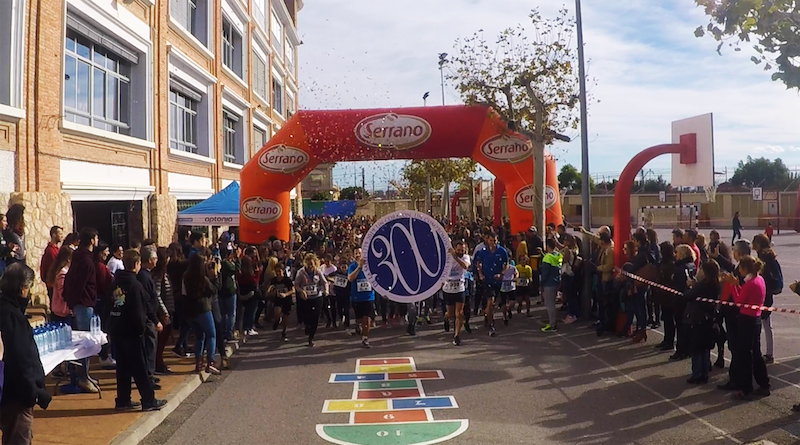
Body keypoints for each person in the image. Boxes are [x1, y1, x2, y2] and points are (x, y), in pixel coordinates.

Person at [107, 249, 167, 412]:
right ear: (136, 264)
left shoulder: (116, 283)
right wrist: (142, 329)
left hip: (117, 329)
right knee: (140, 367)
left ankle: (123, 399)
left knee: (123, 368)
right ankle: (148, 399)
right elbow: (140, 311)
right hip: (132, 332)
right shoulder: (135, 285)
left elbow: (109, 304)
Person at [0, 263, 52, 443]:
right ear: (23, 289)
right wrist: (32, 392)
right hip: (15, 396)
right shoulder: (13, 317)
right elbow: (20, 359)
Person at [724, 255, 770, 400]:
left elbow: (739, 301)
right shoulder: (759, 279)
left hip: (747, 320)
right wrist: (737, 285)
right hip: (755, 319)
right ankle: (763, 384)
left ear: (745, 269)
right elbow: (745, 297)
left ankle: (745, 387)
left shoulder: (751, 284)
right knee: (755, 353)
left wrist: (733, 285)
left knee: (745, 355)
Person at [63, 227, 99, 393]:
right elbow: (78, 284)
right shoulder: (85, 261)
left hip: (81, 303)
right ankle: (83, 377)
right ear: (92, 239)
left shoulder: (80, 258)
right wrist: (72, 301)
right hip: (83, 304)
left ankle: (85, 374)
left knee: (84, 341)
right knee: (85, 342)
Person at [183, 251, 221, 375]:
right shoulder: (203, 279)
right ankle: (210, 362)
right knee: (211, 335)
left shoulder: (185, 277)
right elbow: (214, 289)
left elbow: (184, 294)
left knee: (199, 337)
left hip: (189, 310)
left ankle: (198, 362)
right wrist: (215, 275)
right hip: (203, 309)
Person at [684, 260, 721, 384]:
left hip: (698, 319)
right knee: (705, 348)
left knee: (696, 348)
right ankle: (705, 373)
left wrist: (690, 286)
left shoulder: (701, 286)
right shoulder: (716, 285)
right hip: (709, 319)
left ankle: (697, 374)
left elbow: (688, 296)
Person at [137, 246, 167, 390]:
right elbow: (148, 300)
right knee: (149, 348)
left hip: (150, 317)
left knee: (151, 348)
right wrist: (155, 320)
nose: (156, 261)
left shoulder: (147, 275)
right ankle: (148, 377)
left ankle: (150, 374)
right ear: (149, 260)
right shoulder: (144, 277)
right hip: (148, 319)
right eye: (155, 259)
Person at [752, 234, 782, 365]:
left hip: (764, 294)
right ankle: (769, 352)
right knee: (767, 324)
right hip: (768, 293)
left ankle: (767, 353)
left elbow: (766, 276)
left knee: (763, 324)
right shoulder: (770, 256)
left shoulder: (763, 258)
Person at [474, 231, 510, 337]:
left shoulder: (502, 251)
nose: (492, 243)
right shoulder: (482, 251)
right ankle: (491, 325)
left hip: (497, 280)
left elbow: (506, 264)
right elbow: (478, 262)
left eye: (494, 241)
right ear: (487, 240)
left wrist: (502, 273)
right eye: (490, 240)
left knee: (492, 304)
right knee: (490, 302)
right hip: (486, 280)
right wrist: (480, 273)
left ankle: (487, 315)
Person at [669, 245, 696, 361]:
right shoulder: (692, 265)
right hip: (688, 300)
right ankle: (688, 349)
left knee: (680, 326)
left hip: (680, 300)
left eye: (677, 253)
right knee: (686, 327)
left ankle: (681, 350)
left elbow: (678, 285)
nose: (675, 255)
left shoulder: (680, 268)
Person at [152, 247, 176, 374]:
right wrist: (164, 311)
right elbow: (157, 294)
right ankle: (158, 364)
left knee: (163, 340)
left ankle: (159, 362)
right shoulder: (158, 274)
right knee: (160, 340)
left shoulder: (163, 272)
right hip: (162, 312)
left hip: (167, 308)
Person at [295, 253, 326, 347]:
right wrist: (301, 291)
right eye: (308, 264)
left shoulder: (318, 272)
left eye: (312, 264)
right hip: (305, 298)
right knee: (306, 317)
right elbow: (296, 285)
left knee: (315, 318)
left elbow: (324, 282)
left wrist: (326, 290)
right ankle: (307, 326)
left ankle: (311, 338)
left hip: (317, 297)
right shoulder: (301, 272)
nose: (310, 266)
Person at [443, 241, 470, 346]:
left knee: (459, 313)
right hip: (448, 288)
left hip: (459, 287)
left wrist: (455, 257)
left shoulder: (465, 257)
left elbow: (465, 266)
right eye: (458, 250)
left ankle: (457, 335)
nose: (460, 252)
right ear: (455, 249)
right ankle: (446, 318)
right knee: (450, 313)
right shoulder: (448, 257)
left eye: (462, 250)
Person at [348, 248, 375, 348]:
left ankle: (365, 339)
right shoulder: (352, 266)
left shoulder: (370, 266)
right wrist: (359, 267)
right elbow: (350, 278)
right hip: (357, 298)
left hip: (369, 297)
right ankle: (358, 325)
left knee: (367, 319)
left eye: (359, 253)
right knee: (359, 319)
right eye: (356, 253)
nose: (358, 255)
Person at [94, 244, 115, 370]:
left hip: (99, 300)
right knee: (104, 330)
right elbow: (105, 284)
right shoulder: (101, 267)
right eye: (106, 251)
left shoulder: (98, 266)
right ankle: (103, 356)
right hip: (102, 300)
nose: (107, 253)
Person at [653, 243, 677, 351]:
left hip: (668, 296)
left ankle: (670, 341)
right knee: (666, 319)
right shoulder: (663, 262)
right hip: (662, 295)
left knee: (669, 319)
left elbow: (669, 279)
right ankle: (666, 339)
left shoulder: (671, 264)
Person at [540, 238, 563, 333]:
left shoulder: (547, 258)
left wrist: (541, 284)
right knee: (552, 304)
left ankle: (552, 325)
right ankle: (553, 322)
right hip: (556, 282)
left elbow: (544, 273)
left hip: (548, 283)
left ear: (547, 246)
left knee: (549, 305)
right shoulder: (559, 255)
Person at [267, 265, 294, 342]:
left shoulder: (287, 280)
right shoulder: (274, 280)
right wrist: (268, 292)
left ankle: (284, 331)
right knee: (277, 313)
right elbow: (269, 288)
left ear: (283, 271)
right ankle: (277, 320)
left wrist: (285, 294)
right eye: (276, 271)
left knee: (285, 317)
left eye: (280, 271)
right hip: (278, 299)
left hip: (287, 299)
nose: (278, 273)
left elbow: (293, 290)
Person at [46, 247, 73, 324]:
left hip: (60, 311)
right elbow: (63, 293)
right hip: (62, 312)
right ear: (68, 260)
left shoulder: (60, 271)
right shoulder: (63, 274)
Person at [40, 226, 63, 305]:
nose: (61, 235)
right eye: (59, 233)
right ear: (54, 235)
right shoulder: (51, 251)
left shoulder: (56, 249)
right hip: (53, 284)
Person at [330, 259, 352, 335]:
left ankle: (347, 326)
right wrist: (333, 280)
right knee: (339, 308)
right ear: (340, 267)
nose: (344, 268)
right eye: (342, 267)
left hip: (347, 293)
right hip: (338, 293)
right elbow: (328, 276)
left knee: (347, 310)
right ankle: (341, 317)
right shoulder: (337, 273)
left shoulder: (349, 273)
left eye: (345, 267)